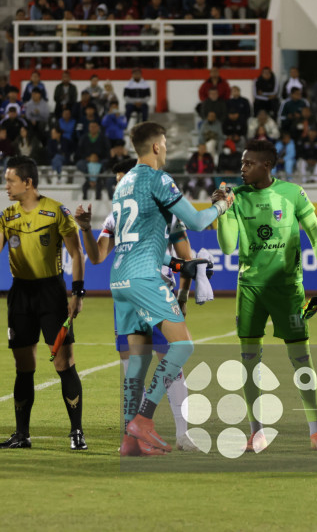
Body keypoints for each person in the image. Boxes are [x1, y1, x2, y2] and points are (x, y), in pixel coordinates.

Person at [111, 122, 232, 455]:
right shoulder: (157, 178)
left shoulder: (123, 186)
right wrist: (223, 206)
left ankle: (129, 441)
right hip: (144, 277)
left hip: (119, 278)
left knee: (137, 362)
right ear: (155, 147)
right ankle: (144, 420)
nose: (165, 148)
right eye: (164, 143)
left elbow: (136, 239)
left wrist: (180, 266)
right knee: (183, 346)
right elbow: (195, 221)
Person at [216, 139, 317, 453]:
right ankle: (257, 431)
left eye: (248, 163)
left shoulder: (292, 194)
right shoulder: (237, 197)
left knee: (301, 359)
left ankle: (316, 431)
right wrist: (223, 212)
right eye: (242, 163)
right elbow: (228, 247)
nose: (242, 169)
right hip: (250, 290)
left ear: (266, 165)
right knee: (249, 360)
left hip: (287, 291)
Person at [73, 158, 199, 452]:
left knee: (172, 364)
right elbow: (96, 257)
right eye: (117, 180)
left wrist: (182, 296)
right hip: (130, 297)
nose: (121, 185)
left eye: (124, 179)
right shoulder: (115, 217)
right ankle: (132, 440)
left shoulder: (166, 212)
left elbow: (186, 260)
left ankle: (183, 434)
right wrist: (85, 230)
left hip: (158, 295)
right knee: (133, 367)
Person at [0, 156, 87, 451]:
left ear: (27, 182)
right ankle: (21, 434)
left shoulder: (56, 212)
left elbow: (76, 254)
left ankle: (77, 433)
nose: (6, 186)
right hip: (20, 294)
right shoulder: (5, 216)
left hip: (51, 293)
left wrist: (77, 293)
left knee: (64, 363)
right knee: (23, 366)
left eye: (10, 180)